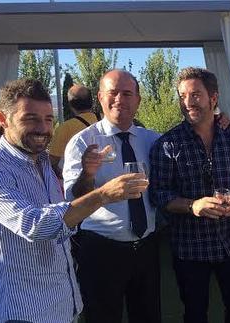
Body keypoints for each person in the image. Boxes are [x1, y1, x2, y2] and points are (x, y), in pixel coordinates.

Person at [0, 78, 148, 323]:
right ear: (3, 119)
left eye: (48, 119)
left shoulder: (40, 162)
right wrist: (103, 194)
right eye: (30, 118)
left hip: (64, 304)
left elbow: (63, 222)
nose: (42, 128)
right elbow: (35, 225)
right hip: (24, 312)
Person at [149, 67, 230, 323]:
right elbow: (158, 194)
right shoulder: (167, 144)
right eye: (182, 96)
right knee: (195, 314)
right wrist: (192, 205)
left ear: (213, 98)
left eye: (195, 94)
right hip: (190, 248)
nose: (187, 102)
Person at [62, 70, 161, 323]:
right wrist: (88, 173)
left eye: (127, 93)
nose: (120, 99)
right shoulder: (82, 142)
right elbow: (72, 200)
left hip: (146, 248)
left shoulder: (153, 140)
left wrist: (219, 119)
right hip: (101, 250)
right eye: (113, 93)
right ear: (99, 98)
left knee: (148, 316)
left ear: (138, 100)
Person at [49, 84, 99, 177]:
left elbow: (52, 163)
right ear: (91, 102)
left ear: (71, 105)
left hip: (77, 183)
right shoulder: (104, 122)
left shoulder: (65, 128)